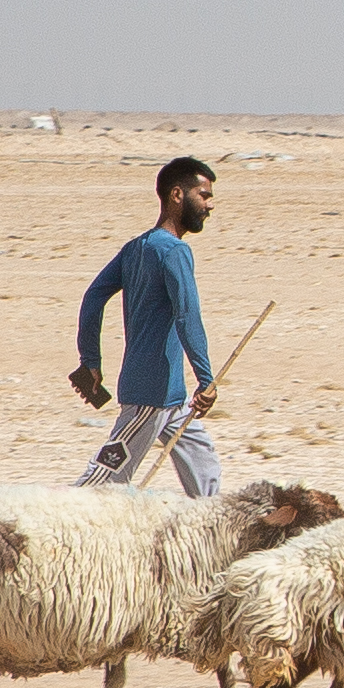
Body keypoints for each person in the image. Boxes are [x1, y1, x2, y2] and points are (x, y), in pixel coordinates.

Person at [70, 156, 226, 494]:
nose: (210, 205)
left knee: (205, 468)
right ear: (177, 195)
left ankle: (212, 537)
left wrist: (90, 362)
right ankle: (51, 527)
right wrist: (207, 379)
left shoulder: (135, 247)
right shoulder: (174, 252)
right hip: (150, 395)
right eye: (204, 195)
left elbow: (93, 297)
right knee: (104, 479)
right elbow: (187, 316)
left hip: (173, 398)